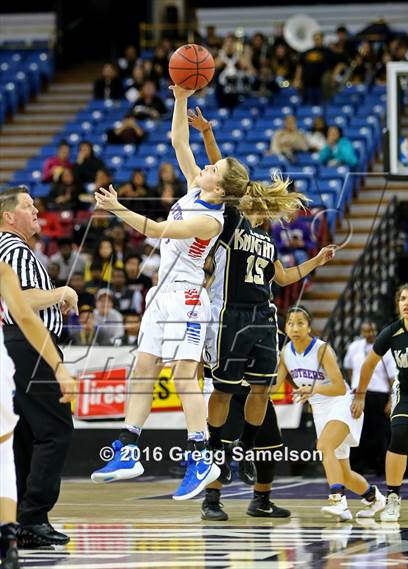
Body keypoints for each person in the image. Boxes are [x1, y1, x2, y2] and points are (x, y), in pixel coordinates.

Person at [90, 84, 270, 500]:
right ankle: (129, 448)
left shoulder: (212, 221)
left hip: (187, 298)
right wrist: (181, 96)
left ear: (220, 188)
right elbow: (178, 139)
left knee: (185, 376)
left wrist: (117, 208)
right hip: (161, 295)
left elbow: (156, 229)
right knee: (143, 368)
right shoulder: (195, 187)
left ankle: (201, 455)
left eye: (213, 168)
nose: (205, 167)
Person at [188, 106, 336, 490]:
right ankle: (216, 454)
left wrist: (316, 260)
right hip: (230, 315)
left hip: (262, 316)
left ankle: (246, 450)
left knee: (261, 389)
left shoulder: (267, 239)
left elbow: (284, 277)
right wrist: (207, 132)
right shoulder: (230, 220)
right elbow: (222, 171)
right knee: (222, 391)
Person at [0, 187, 78, 548]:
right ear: (8, 217)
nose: (37, 212)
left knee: (25, 436)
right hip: (28, 345)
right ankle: (33, 517)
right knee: (56, 430)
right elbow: (24, 301)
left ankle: (16, 518)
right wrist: (61, 293)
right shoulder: (14, 249)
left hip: (15, 346)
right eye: (29, 207)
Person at [276, 305, 386, 521]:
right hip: (320, 409)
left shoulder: (322, 349)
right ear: (285, 328)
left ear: (309, 327)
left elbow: (338, 387)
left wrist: (312, 389)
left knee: (324, 446)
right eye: (290, 323)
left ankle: (338, 501)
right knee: (343, 473)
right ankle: (374, 498)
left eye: (300, 323)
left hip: (341, 402)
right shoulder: (285, 353)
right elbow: (273, 385)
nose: (295, 327)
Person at [352, 283, 408, 522]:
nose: (406, 303)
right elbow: (369, 364)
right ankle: (393, 498)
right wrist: (360, 395)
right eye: (403, 298)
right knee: (399, 436)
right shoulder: (392, 332)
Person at [344, 321, 396, 475]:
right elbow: (349, 368)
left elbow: (392, 376)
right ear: (362, 332)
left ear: (377, 331)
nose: (370, 334)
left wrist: (391, 399)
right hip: (358, 393)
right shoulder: (354, 347)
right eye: (366, 331)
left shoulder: (385, 348)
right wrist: (356, 386)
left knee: (380, 432)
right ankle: (357, 466)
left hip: (379, 394)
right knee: (357, 431)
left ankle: (382, 466)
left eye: (372, 331)